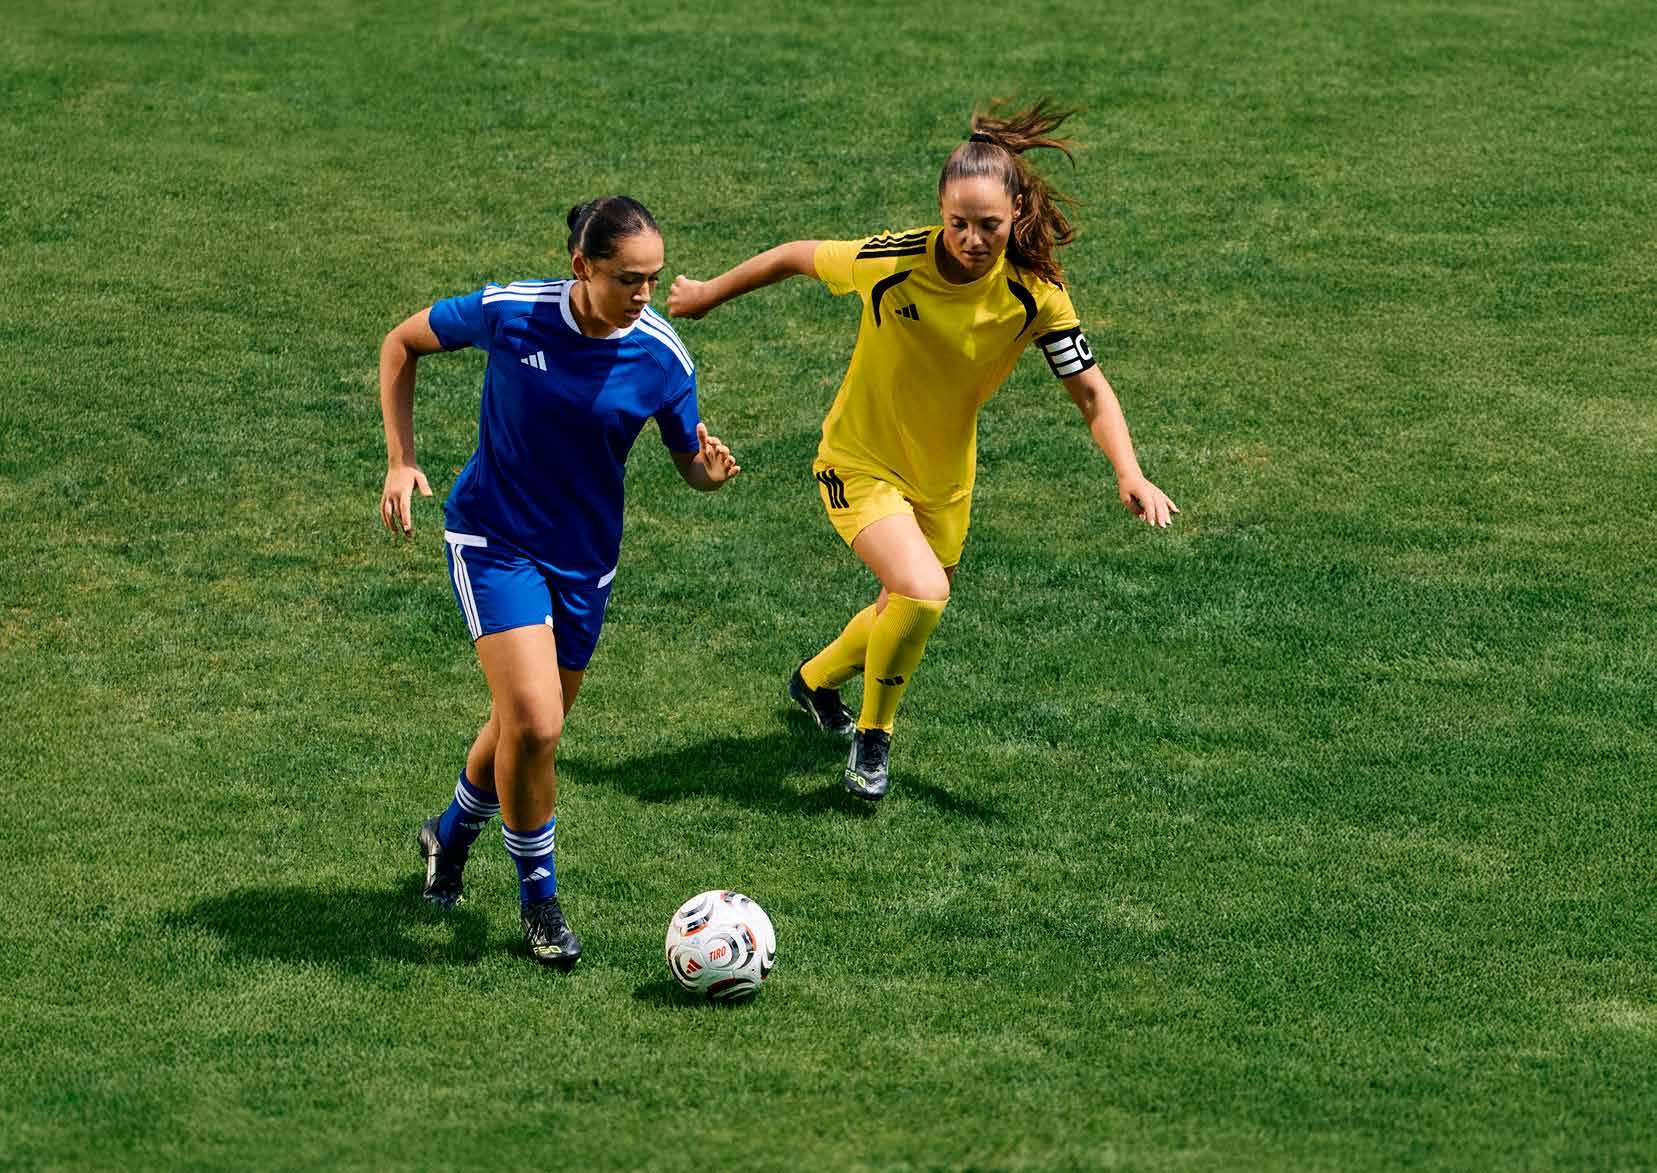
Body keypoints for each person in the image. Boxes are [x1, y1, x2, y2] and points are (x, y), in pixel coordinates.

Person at [668, 100, 1176, 801]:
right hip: (857, 462)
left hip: (944, 480)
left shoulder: (1035, 295)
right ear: (940, 209)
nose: (972, 238)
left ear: (1016, 210)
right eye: (958, 222)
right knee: (921, 590)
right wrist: (706, 294)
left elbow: (1090, 391)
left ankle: (814, 681)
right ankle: (873, 738)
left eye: (989, 224)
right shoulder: (891, 261)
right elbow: (794, 256)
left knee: (906, 606)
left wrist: (1129, 471)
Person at [378, 196, 740, 968]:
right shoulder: (513, 312)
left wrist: (707, 474)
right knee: (537, 724)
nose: (643, 294)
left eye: (653, 278)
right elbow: (401, 342)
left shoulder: (661, 355)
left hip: (584, 561)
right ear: (582, 266)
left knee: (524, 728)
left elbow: (687, 459)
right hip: (493, 539)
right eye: (627, 278)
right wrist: (401, 460)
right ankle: (539, 900)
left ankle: (448, 834)